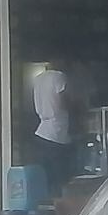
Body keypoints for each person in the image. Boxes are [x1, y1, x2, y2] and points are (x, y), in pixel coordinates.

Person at [31, 60, 74, 195]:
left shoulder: (38, 79)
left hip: (42, 131)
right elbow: (62, 101)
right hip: (57, 132)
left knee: (46, 178)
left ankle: (48, 207)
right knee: (61, 179)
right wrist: (77, 106)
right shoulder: (59, 77)